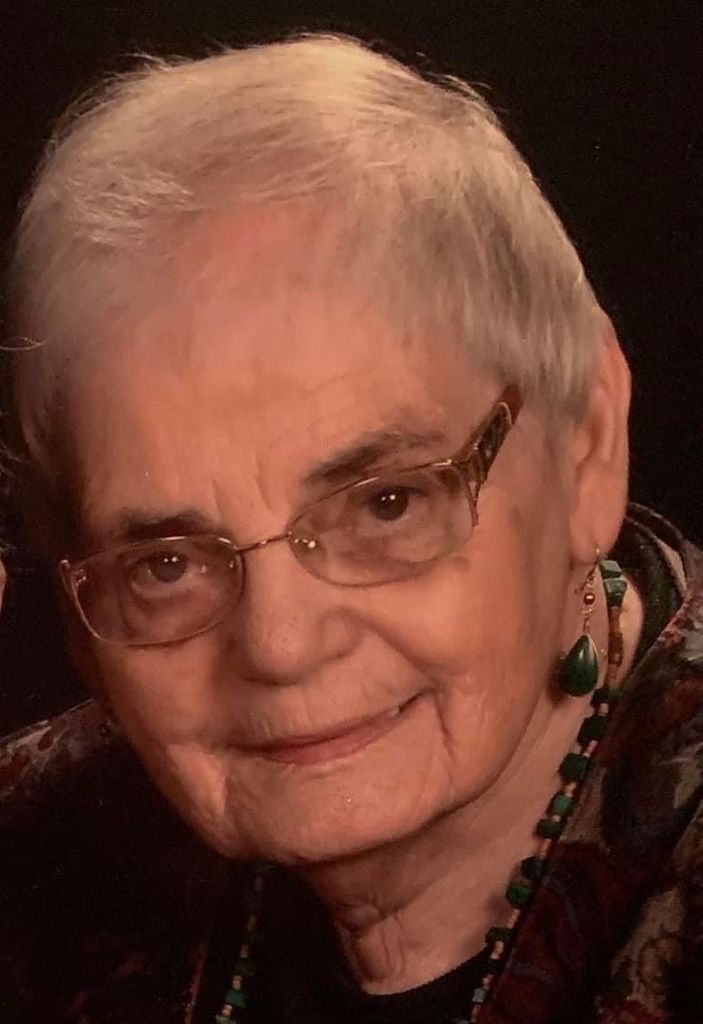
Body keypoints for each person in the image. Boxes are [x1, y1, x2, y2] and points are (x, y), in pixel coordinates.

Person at [1, 32, 701, 1024]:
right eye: (166, 563)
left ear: (585, 442)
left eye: (384, 503)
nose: (281, 647)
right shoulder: (32, 849)